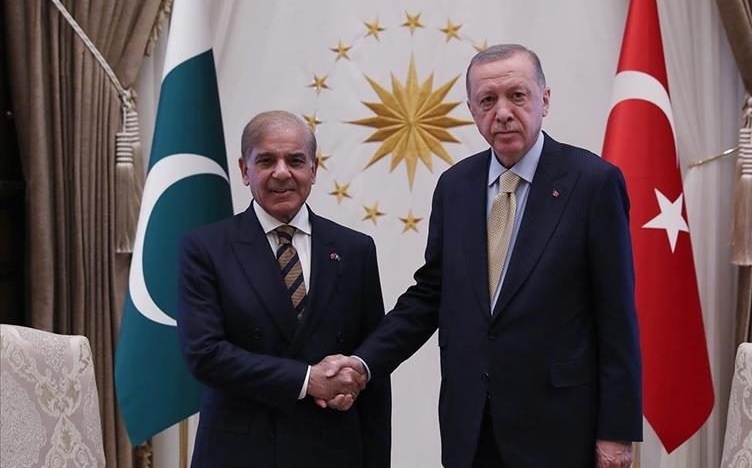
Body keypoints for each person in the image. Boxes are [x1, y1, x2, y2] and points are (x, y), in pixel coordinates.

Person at [323, 44, 642, 467]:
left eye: (517, 96)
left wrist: (616, 431)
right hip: (471, 428)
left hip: (560, 430)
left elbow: (616, 315)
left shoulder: (593, 183)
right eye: (488, 100)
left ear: (545, 100)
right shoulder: (455, 186)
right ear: (472, 110)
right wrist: (364, 364)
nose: (503, 112)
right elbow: (430, 294)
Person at [176, 111, 391, 468]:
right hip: (240, 454)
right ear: (245, 170)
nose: (281, 172)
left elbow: (372, 368)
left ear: (313, 169)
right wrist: (307, 380)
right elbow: (205, 354)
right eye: (266, 161)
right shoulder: (206, 249)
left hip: (332, 452)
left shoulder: (355, 249)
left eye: (295, 161)